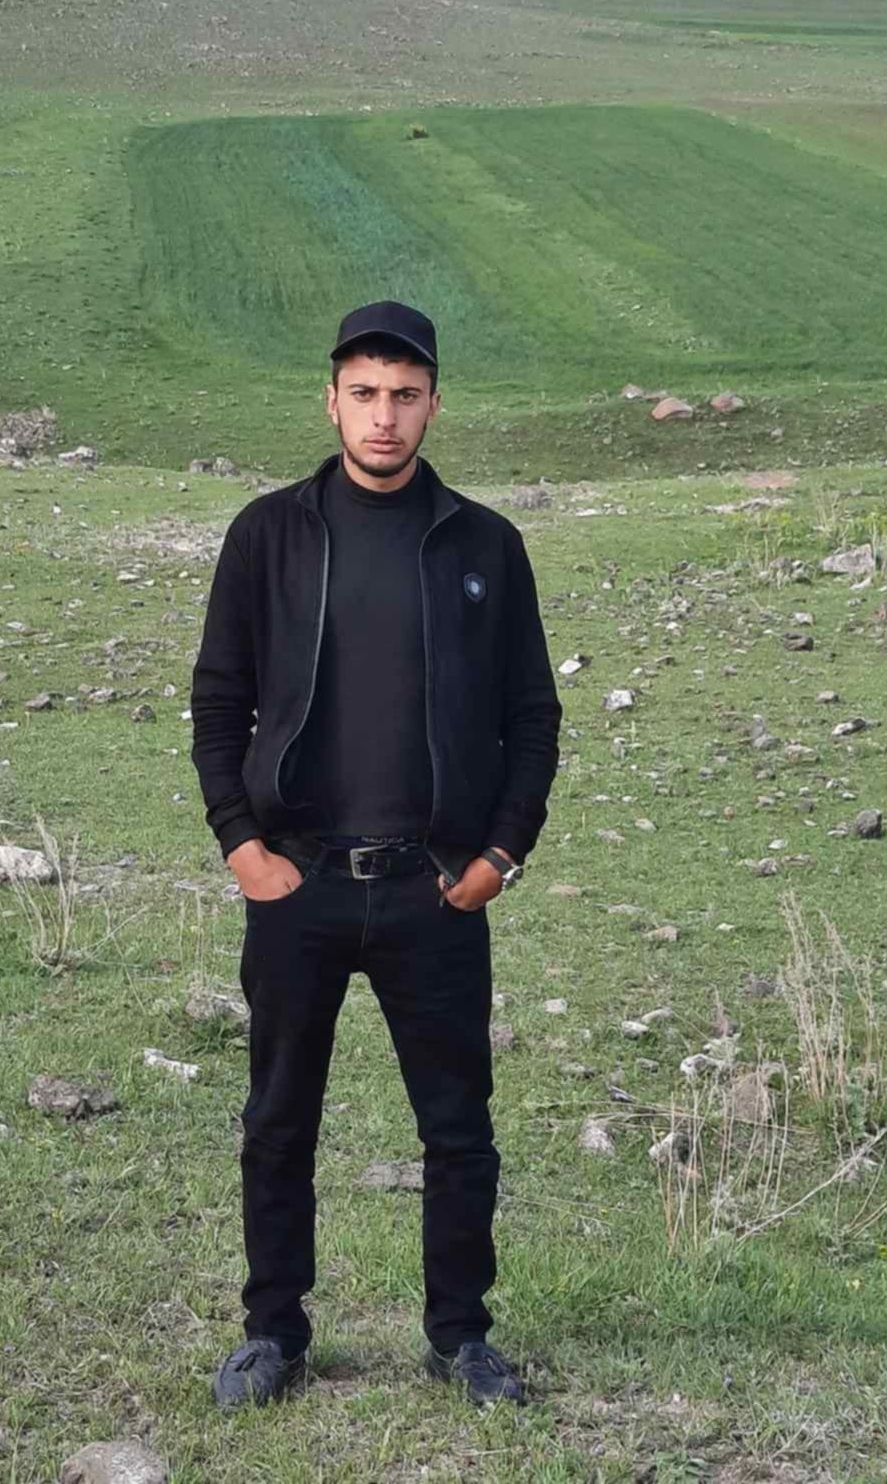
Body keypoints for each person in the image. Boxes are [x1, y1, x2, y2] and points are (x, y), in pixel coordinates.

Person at [191, 300, 561, 1410]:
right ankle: (273, 1333)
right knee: (277, 1123)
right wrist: (241, 844)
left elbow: (533, 717)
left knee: (458, 1130)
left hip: (433, 888)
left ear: (435, 403)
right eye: (365, 393)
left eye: (405, 395)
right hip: (297, 880)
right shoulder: (268, 534)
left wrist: (500, 854)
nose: (384, 416)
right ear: (332, 401)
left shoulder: (485, 544)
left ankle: (460, 1337)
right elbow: (219, 701)